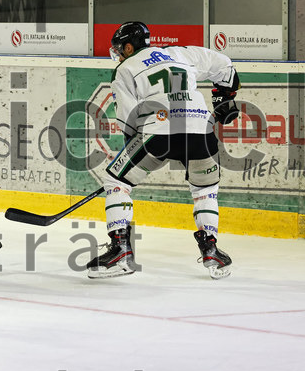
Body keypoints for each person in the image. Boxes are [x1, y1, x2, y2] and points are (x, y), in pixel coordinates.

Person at [88, 21, 239, 280]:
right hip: (202, 130)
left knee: (116, 179)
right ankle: (211, 249)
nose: (118, 54)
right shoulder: (180, 52)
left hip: (158, 131)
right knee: (205, 189)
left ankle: (120, 250)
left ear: (128, 46)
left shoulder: (125, 68)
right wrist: (223, 97)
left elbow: (127, 120)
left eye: (119, 49)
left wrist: (127, 163)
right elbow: (226, 69)